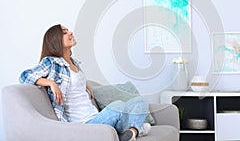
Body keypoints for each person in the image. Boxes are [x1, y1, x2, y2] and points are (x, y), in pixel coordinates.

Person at [19, 24, 151, 141]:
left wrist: (84, 82)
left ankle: (131, 133)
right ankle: (135, 129)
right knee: (119, 106)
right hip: (84, 124)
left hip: (96, 117)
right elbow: (25, 76)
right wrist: (50, 83)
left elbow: (73, 82)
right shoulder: (51, 62)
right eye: (64, 32)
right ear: (55, 40)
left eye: (68, 30)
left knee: (140, 101)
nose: (70, 32)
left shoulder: (74, 63)